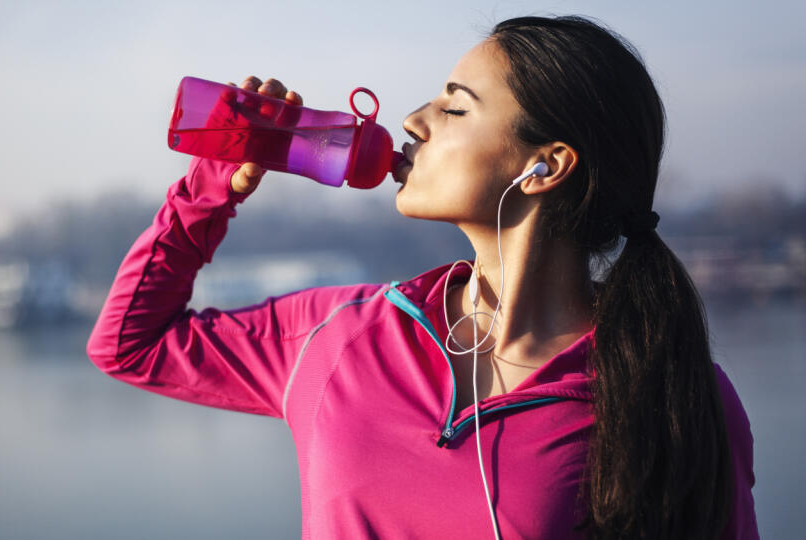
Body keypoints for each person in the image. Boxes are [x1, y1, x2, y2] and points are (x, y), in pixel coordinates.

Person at [87, 15, 759, 539]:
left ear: (545, 166)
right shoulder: (340, 334)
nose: (412, 121)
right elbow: (129, 344)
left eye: (455, 108)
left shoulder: (666, 388)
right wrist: (213, 185)